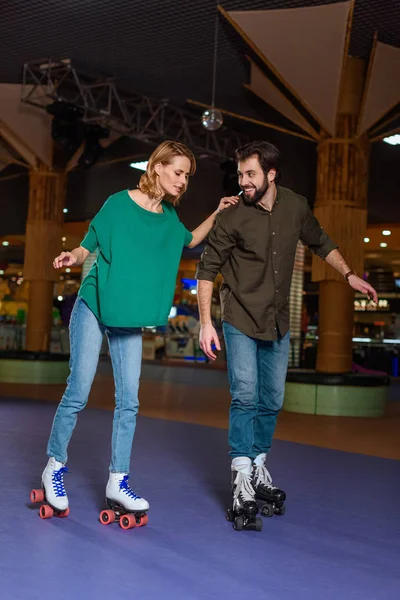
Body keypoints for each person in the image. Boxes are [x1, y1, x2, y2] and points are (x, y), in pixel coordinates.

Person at [39, 140, 237, 517]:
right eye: (178, 172)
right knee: (78, 389)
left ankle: (118, 479)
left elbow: (191, 240)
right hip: (95, 306)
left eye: (187, 176)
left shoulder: (167, 219)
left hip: (128, 318)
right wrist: (72, 256)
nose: (183, 181)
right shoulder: (118, 202)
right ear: (157, 166)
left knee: (129, 400)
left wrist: (217, 211)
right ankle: (54, 467)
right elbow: (88, 245)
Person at [196, 141, 377, 527]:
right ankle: (241, 475)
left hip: (277, 321)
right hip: (239, 318)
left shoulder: (295, 205)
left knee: (273, 399)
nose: (243, 181)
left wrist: (349, 275)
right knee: (245, 394)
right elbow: (207, 270)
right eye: (241, 174)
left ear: (271, 175)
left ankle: (258, 464)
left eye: (251, 174)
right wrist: (206, 322)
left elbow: (321, 242)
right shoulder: (231, 217)